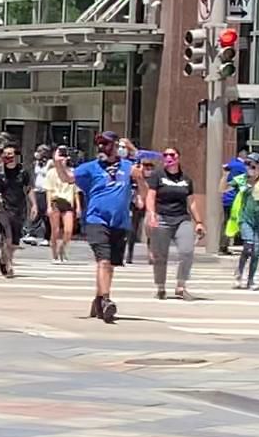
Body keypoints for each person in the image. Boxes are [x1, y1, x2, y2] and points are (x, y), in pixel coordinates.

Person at [67, 131, 140, 323]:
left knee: (110, 265)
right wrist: (59, 163)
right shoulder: (90, 168)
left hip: (120, 222)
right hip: (96, 220)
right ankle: (107, 301)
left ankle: (99, 300)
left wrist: (133, 151)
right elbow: (68, 177)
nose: (101, 148)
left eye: (106, 144)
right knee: (104, 261)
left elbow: (147, 172)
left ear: (116, 146)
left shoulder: (128, 167)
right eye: (99, 144)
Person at [145, 146, 203, 299]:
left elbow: (191, 202)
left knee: (186, 252)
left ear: (178, 157)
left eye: (172, 155)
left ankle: (181, 286)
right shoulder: (157, 176)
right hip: (162, 218)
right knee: (160, 256)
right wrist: (151, 214)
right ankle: (161, 287)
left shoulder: (186, 179)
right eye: (165, 155)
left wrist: (199, 221)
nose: (168, 157)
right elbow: (150, 197)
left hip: (181, 219)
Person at [227, 152, 259, 290]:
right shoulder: (241, 179)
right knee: (248, 245)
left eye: (252, 164)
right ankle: (239, 273)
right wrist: (225, 174)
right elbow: (223, 189)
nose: (249, 167)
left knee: (256, 251)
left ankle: (251, 280)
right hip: (245, 218)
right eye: (247, 164)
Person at [0, 144, 31, 278]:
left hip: (19, 207)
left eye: (11, 154)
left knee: (15, 242)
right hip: (2, 206)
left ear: (16, 156)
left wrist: (34, 206)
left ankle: (4, 258)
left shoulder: (23, 172)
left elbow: (28, 189)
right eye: (6, 154)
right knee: (7, 237)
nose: (8, 157)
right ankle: (9, 264)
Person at [46, 146, 78, 261]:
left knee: (68, 230)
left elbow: (75, 190)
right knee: (55, 230)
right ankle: (54, 252)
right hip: (56, 200)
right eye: (61, 156)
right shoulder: (51, 173)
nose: (63, 159)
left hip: (68, 202)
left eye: (65, 157)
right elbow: (48, 190)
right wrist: (49, 206)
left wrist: (78, 206)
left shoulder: (72, 172)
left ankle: (62, 248)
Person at [218, 145, 250, 255]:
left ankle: (224, 245)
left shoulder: (232, 164)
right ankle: (245, 243)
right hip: (234, 199)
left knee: (228, 221)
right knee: (239, 221)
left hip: (227, 198)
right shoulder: (242, 167)